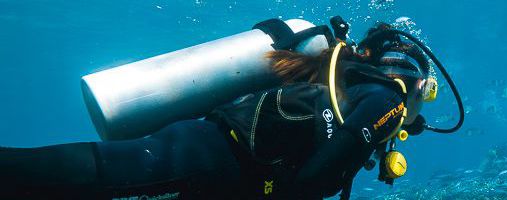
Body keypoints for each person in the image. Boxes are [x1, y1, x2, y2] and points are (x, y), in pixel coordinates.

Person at [0, 20, 461, 199]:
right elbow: (316, 177)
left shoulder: (345, 80)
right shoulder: (386, 101)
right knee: (98, 172)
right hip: (212, 159)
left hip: (215, 150)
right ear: (418, 80)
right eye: (428, 90)